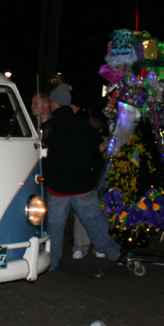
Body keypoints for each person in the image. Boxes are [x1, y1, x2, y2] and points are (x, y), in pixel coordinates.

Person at [41, 84, 122, 270]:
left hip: (58, 187)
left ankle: (51, 261)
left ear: (54, 104)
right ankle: (112, 251)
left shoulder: (49, 128)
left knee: (55, 225)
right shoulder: (83, 125)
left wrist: (49, 175)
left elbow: (44, 156)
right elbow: (95, 155)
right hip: (83, 185)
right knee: (94, 220)